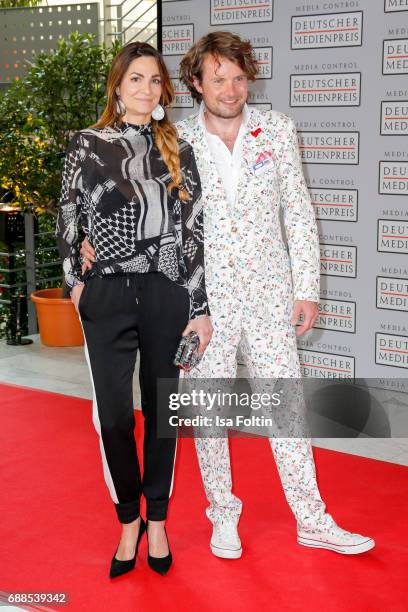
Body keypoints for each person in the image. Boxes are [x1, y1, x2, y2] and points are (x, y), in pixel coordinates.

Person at [81, 32, 375, 559]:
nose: (231, 88)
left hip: (269, 294)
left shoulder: (277, 130)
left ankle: (312, 517)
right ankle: (223, 515)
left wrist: (307, 286)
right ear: (196, 83)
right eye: (218, 78)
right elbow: (136, 209)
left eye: (239, 77)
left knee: (286, 406)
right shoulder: (175, 140)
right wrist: (88, 240)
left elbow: (299, 210)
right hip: (200, 304)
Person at [56, 41, 212, 578]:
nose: (146, 89)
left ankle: (160, 521)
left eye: (154, 80)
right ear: (118, 87)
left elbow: (192, 233)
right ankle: (129, 521)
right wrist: (77, 286)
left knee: (163, 414)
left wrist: (200, 307)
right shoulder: (87, 144)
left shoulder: (179, 147)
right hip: (108, 296)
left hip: (167, 294)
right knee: (116, 418)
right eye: (135, 79)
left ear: (163, 89)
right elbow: (67, 219)